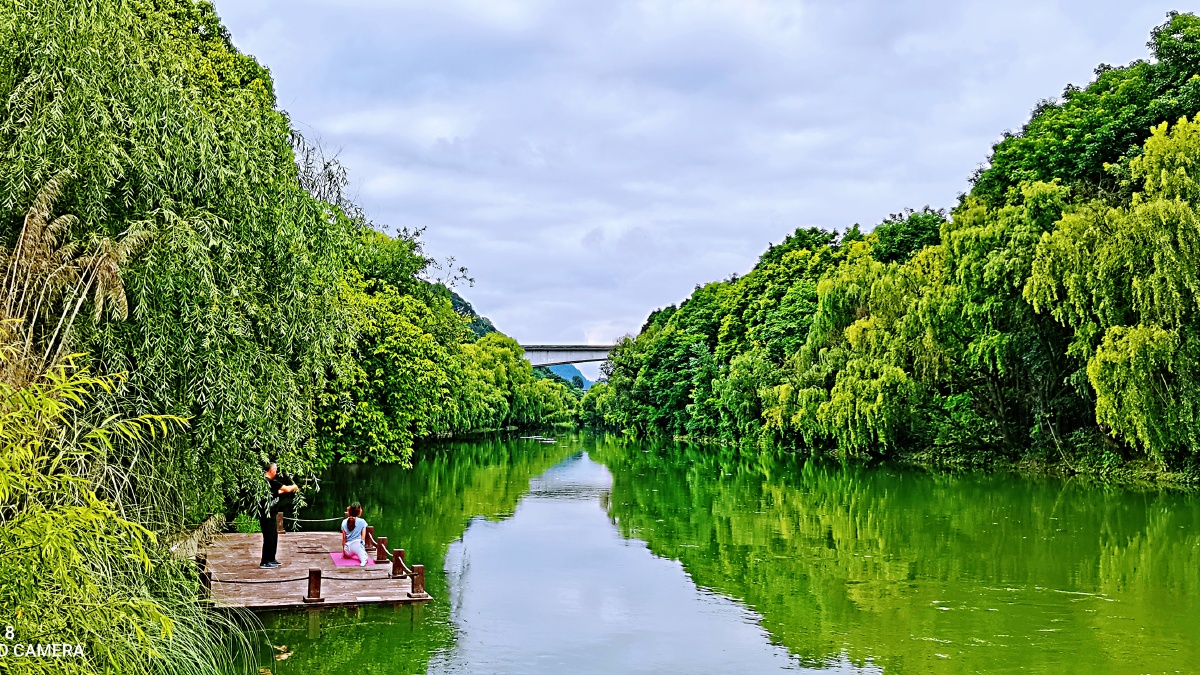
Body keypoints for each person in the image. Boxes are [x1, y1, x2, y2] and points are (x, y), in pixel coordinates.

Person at [259, 461, 298, 570]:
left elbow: (278, 492)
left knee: (273, 537)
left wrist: (286, 490)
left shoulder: (268, 483)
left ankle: (272, 559)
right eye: (275, 470)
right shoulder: (268, 482)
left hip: (271, 514)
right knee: (268, 538)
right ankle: (264, 562)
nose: (276, 472)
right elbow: (286, 489)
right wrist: (294, 487)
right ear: (270, 470)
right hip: (267, 515)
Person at [341, 502, 370, 567]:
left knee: (358, 548)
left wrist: (344, 552)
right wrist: (363, 548)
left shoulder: (344, 522)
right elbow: (363, 538)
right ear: (359, 511)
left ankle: (362, 556)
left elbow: (344, 539)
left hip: (348, 549)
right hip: (358, 546)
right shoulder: (362, 522)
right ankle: (363, 559)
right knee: (362, 554)